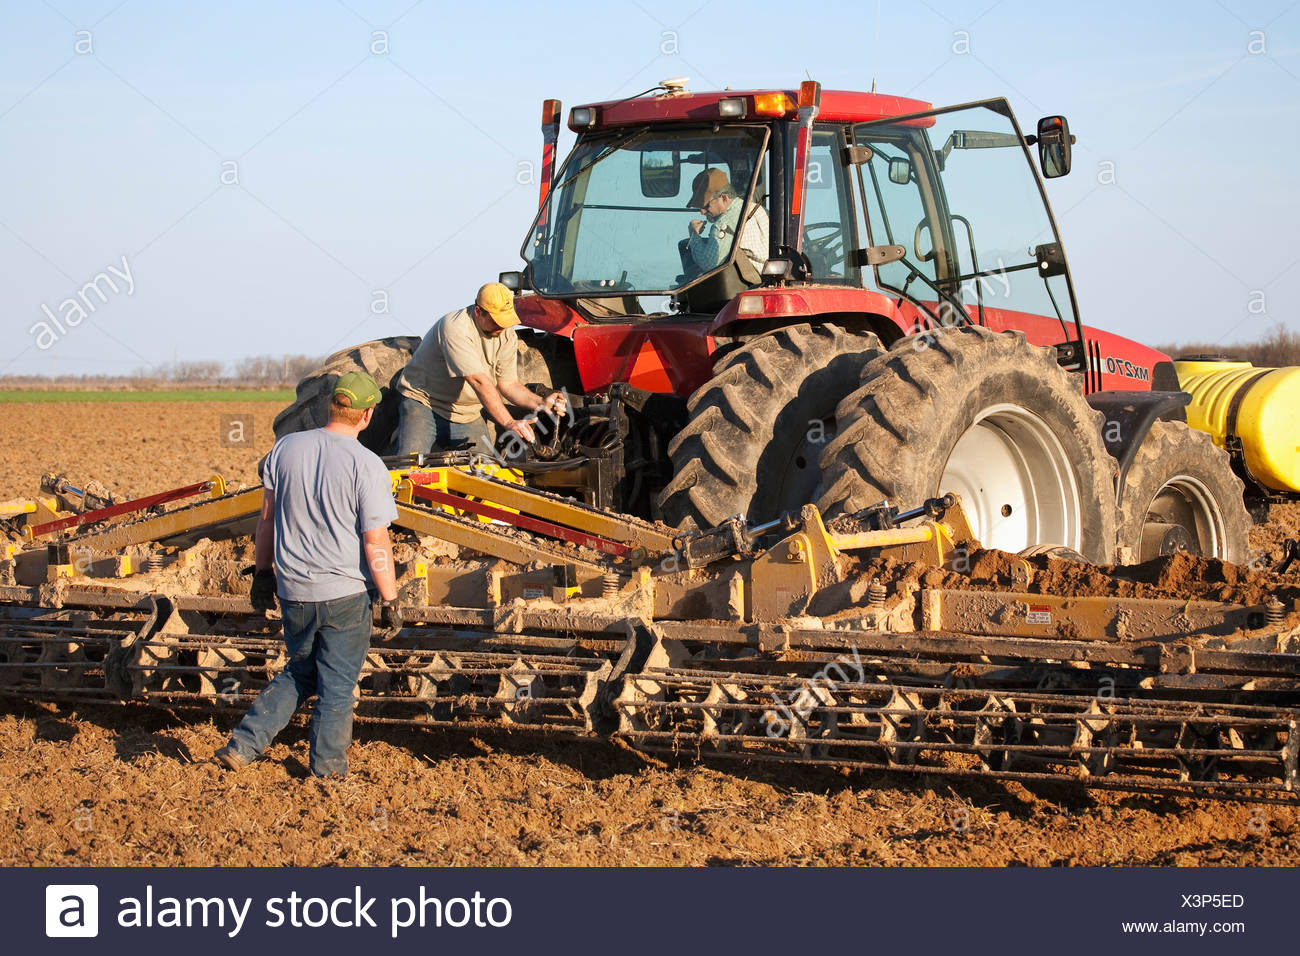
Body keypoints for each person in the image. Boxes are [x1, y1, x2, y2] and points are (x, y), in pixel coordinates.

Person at [213, 370, 399, 778]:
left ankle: (243, 745)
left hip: (294, 591)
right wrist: (390, 598)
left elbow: (266, 521)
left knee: (301, 671)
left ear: (330, 404)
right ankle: (328, 771)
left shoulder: (285, 448)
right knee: (337, 685)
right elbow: (375, 541)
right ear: (368, 415)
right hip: (345, 596)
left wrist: (263, 575)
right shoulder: (368, 465)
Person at [394, 282, 566, 456]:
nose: (502, 327)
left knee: (482, 467)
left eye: (506, 321)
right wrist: (509, 422)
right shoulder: (456, 328)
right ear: (478, 312)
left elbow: (509, 384)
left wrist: (541, 403)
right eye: (497, 321)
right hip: (425, 403)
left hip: (467, 414)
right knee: (409, 464)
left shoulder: (506, 334)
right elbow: (479, 382)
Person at [685, 168, 769, 275]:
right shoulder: (759, 210)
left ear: (724, 198)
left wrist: (694, 235)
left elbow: (709, 264)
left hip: (750, 284)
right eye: (700, 207)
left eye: (706, 205)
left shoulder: (724, 223)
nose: (702, 212)